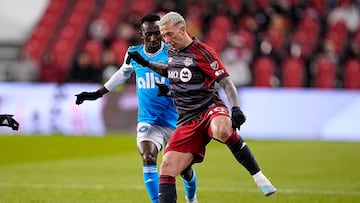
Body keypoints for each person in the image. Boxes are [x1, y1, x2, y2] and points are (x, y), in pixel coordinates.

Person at [127, 11, 277, 203]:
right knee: (167, 166)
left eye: (169, 34)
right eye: (163, 35)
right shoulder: (171, 52)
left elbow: (226, 82)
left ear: (182, 30)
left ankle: (259, 177)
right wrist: (147, 63)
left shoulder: (203, 52)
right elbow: (172, 70)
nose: (165, 39)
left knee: (222, 129)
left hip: (209, 109)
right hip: (186, 120)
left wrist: (236, 108)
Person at [74, 14, 198, 203]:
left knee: (184, 170)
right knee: (148, 156)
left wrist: (172, 92)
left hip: (175, 120)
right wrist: (96, 94)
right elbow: (122, 74)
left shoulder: (173, 52)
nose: (154, 38)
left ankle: (191, 197)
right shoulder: (133, 53)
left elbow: (187, 82)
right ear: (142, 34)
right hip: (148, 120)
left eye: (158, 33)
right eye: (149, 34)